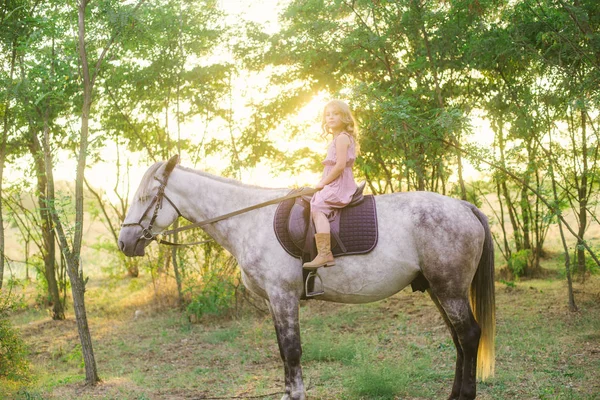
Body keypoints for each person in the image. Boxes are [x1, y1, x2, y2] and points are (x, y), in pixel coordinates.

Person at [303, 99, 358, 270]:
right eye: (328, 115)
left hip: (339, 184)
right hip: (335, 181)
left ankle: (324, 253)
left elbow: (340, 166)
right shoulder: (337, 139)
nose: (331, 117)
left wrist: (322, 183)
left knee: (317, 205)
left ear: (345, 117)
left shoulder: (342, 138)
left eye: (336, 114)